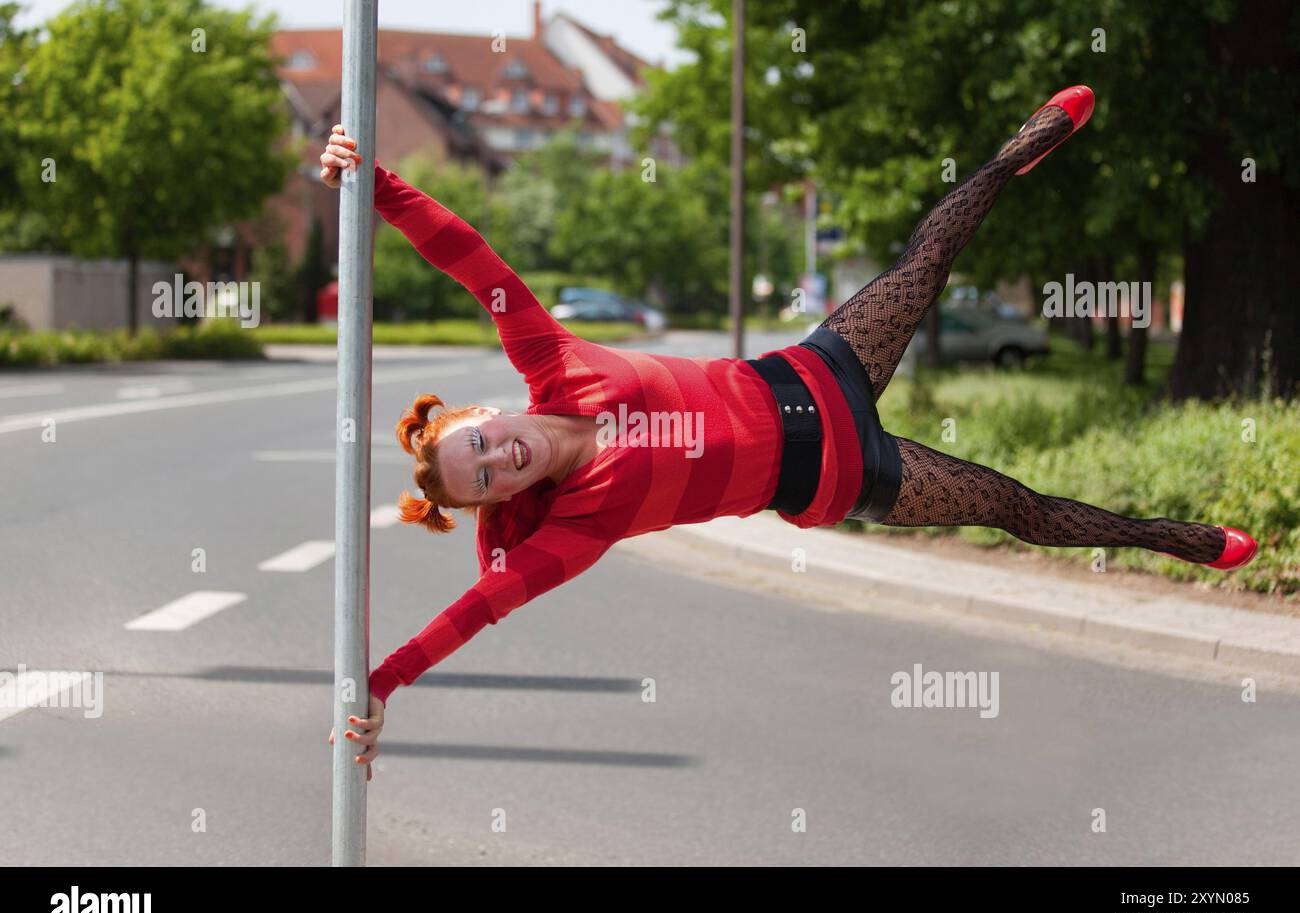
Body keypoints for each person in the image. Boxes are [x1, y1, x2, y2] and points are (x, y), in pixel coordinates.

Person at [323, 86, 1258, 777]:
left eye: (478, 444)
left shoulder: (554, 360)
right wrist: (383, 682)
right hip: (845, 472)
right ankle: (1182, 540)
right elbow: (474, 612)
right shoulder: (576, 529)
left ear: (488, 416)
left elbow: (472, 259)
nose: (496, 461)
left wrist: (380, 184)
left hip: (818, 369)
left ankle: (1023, 146)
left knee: (930, 253)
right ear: (502, 501)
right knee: (1013, 506)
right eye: (483, 480)